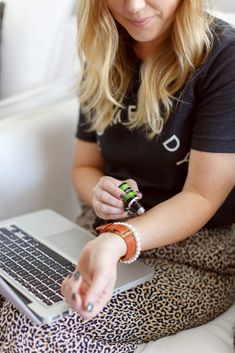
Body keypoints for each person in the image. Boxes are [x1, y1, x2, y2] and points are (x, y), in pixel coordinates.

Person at [0, 0, 235, 352]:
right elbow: (84, 167)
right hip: (101, 233)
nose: (134, 6)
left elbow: (202, 196)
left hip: (197, 251)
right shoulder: (105, 47)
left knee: (32, 330)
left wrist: (118, 240)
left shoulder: (222, 57)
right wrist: (99, 192)